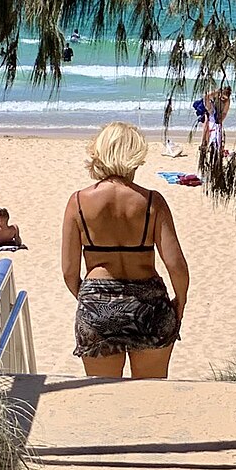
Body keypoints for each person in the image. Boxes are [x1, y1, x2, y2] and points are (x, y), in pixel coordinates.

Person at [61, 122, 189, 379]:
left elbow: (69, 272)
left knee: (103, 395)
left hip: (97, 303)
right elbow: (176, 265)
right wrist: (180, 300)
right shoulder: (152, 201)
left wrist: (91, 300)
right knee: (151, 394)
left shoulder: (78, 202)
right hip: (149, 305)